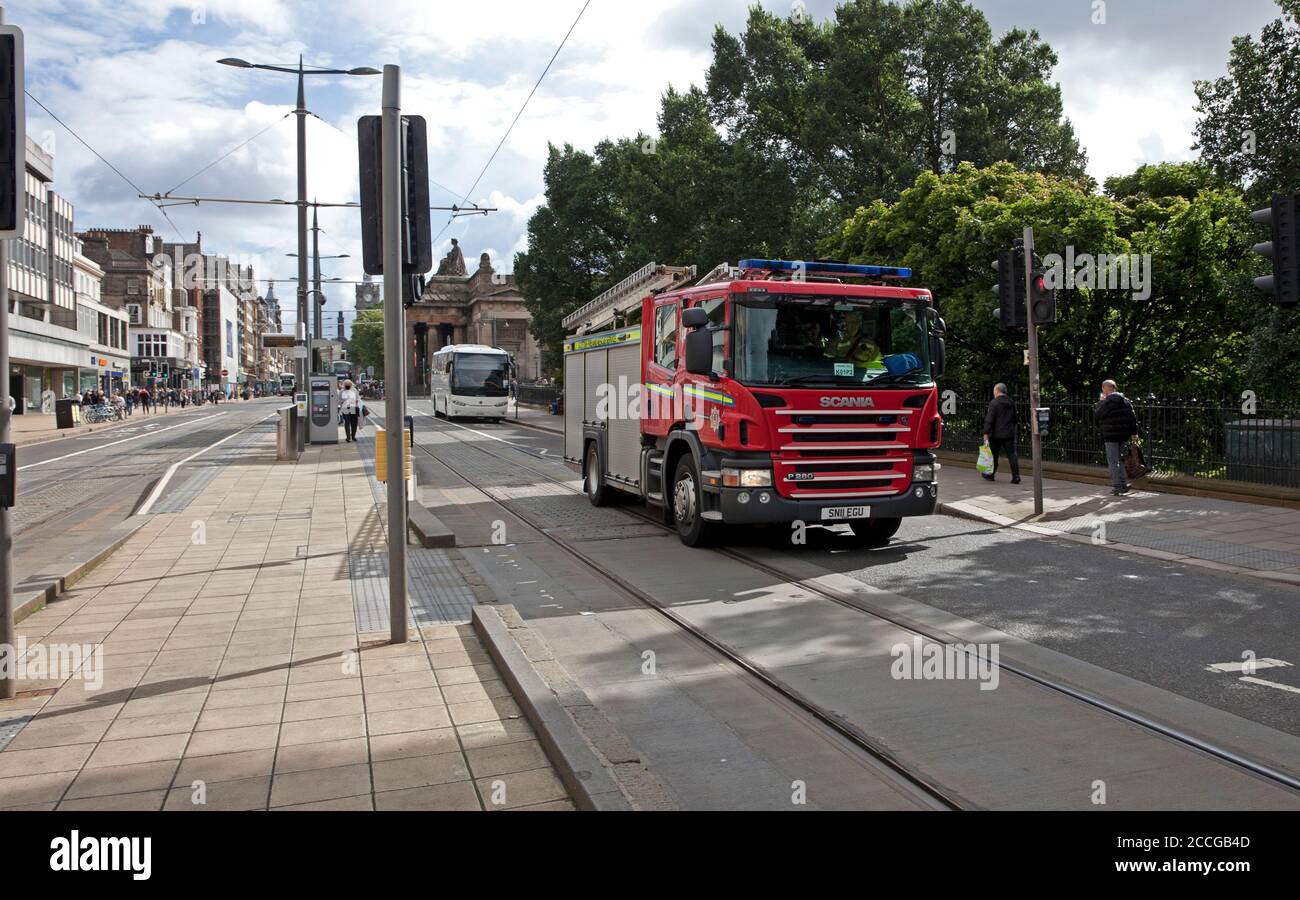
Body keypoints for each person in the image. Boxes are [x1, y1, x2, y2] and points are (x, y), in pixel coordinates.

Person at [1094, 379, 1139, 496]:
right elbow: (1132, 418)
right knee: (1121, 460)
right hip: (1124, 435)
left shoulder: (1106, 402)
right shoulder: (1126, 401)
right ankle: (1124, 484)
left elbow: (1097, 416)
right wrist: (1134, 433)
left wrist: (1101, 402)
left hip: (1110, 435)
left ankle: (1117, 486)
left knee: (1113, 461)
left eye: (1103, 388)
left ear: (1105, 389)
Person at [981, 383, 1020, 484]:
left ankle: (991, 475)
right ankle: (1016, 476)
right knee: (1012, 455)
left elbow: (990, 419)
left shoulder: (994, 403)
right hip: (1009, 434)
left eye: (994, 391)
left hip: (996, 434)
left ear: (997, 390)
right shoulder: (1011, 402)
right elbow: (1015, 418)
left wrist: (986, 433)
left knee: (994, 455)